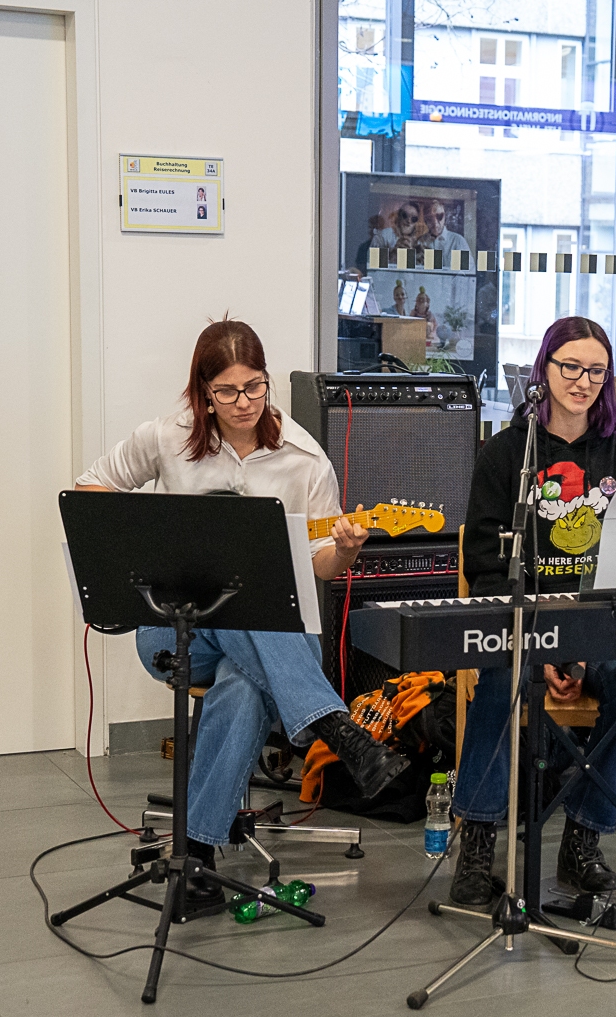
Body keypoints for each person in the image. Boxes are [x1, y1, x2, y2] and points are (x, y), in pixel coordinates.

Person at [76, 318, 410, 908]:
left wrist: (346, 549)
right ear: (203, 392)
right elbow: (89, 490)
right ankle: (335, 728)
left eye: (255, 387)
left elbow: (323, 568)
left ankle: (196, 859)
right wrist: (152, 533)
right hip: (173, 629)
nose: (243, 403)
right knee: (240, 609)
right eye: (227, 391)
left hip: (272, 631)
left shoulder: (303, 459)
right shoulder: (166, 438)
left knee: (243, 677)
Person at [449, 316, 616, 906]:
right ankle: (478, 845)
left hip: (600, 624)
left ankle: (583, 840)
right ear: (543, 369)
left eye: (596, 371)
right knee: (501, 679)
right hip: (523, 621)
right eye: (571, 367)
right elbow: (485, 562)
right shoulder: (506, 453)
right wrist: (540, 650)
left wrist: (582, 652)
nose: (583, 381)